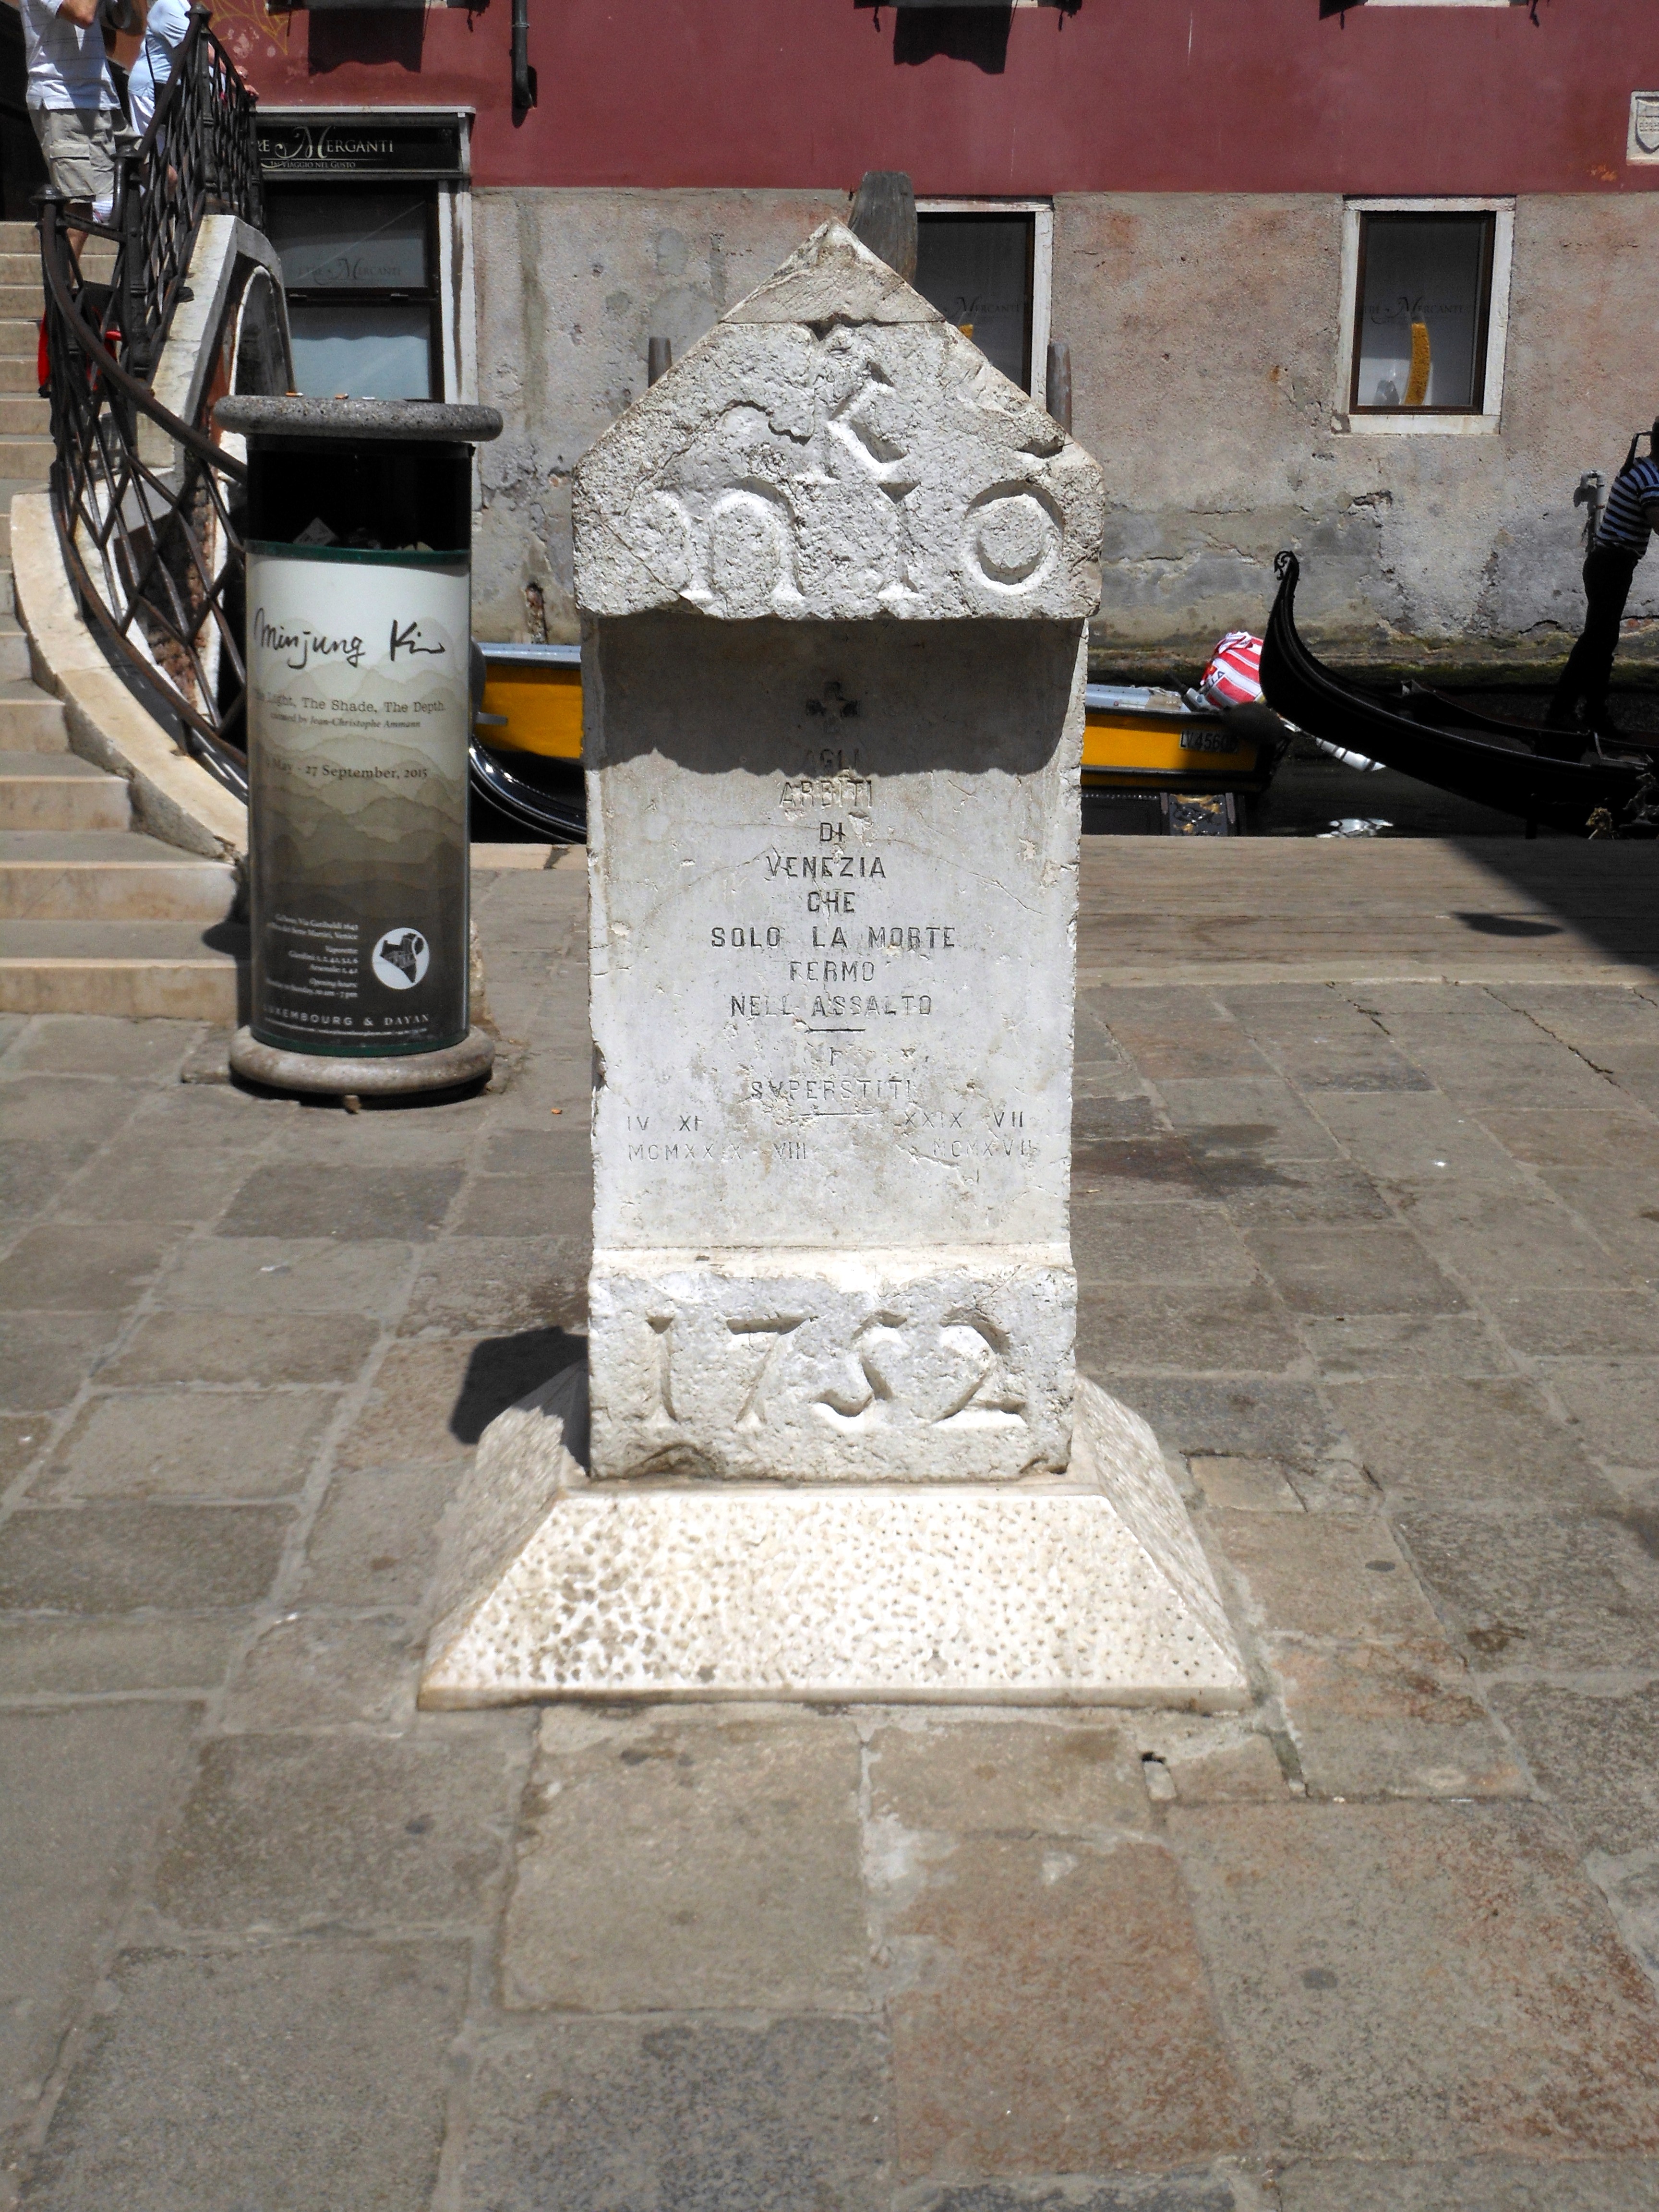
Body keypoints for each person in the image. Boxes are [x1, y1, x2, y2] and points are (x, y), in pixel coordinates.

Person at [1548, 420, 1659, 741]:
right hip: (1612, 565)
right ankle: (1560, 712)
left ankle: (1595, 713)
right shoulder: (1650, 478)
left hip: (1610, 565)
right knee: (1595, 642)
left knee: (1602, 643)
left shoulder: (1640, 468)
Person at [20, 0, 140, 255]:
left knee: (166, 177)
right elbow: (83, 15)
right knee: (80, 214)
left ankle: (153, 277)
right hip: (62, 100)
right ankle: (62, 294)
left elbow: (132, 26)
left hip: (102, 99)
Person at [127, 0, 189, 140]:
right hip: (150, 88)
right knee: (154, 149)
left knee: (165, 148)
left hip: (168, 87)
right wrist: (233, 77)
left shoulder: (185, 7)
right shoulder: (169, 6)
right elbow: (197, 47)